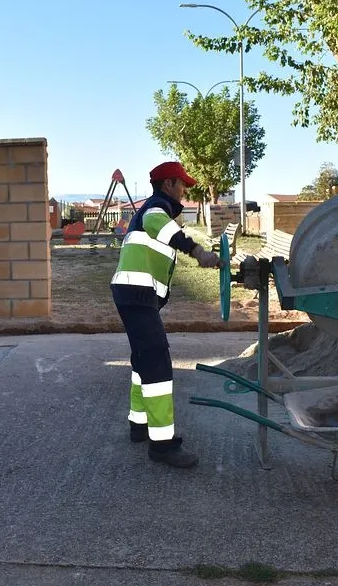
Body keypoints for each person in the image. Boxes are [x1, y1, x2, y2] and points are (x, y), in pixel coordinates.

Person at [110, 161, 221, 468]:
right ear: (168, 184)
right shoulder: (156, 207)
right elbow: (156, 221)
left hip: (135, 295)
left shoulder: (157, 210)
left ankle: (139, 424)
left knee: (143, 359)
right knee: (157, 363)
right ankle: (162, 445)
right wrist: (198, 252)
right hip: (136, 294)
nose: (185, 190)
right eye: (182, 184)